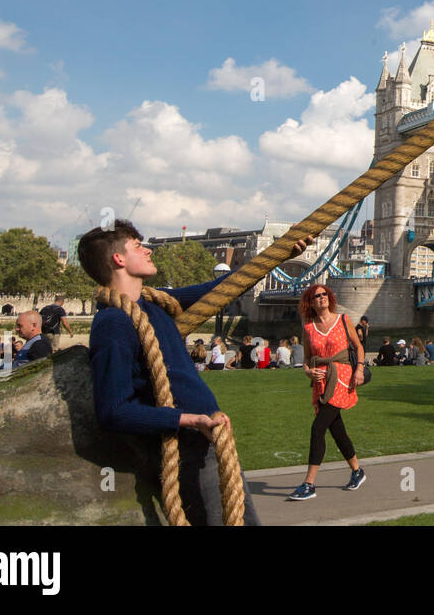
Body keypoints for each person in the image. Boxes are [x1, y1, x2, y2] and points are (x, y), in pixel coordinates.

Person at [81, 220, 308, 526]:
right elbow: (113, 410)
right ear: (117, 259)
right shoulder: (113, 323)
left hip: (207, 439)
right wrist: (189, 419)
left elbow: (220, 289)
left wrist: (277, 255)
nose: (148, 250)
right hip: (184, 448)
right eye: (138, 246)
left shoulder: (155, 304)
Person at [289, 284, 366, 500]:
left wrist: (359, 370)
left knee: (318, 428)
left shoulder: (343, 320)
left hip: (341, 379)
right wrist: (308, 372)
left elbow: (358, 346)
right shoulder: (308, 328)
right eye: (317, 296)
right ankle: (357, 471)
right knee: (337, 430)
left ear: (329, 298)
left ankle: (309, 483)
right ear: (311, 302)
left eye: (325, 294)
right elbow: (305, 359)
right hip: (320, 382)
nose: (322, 298)